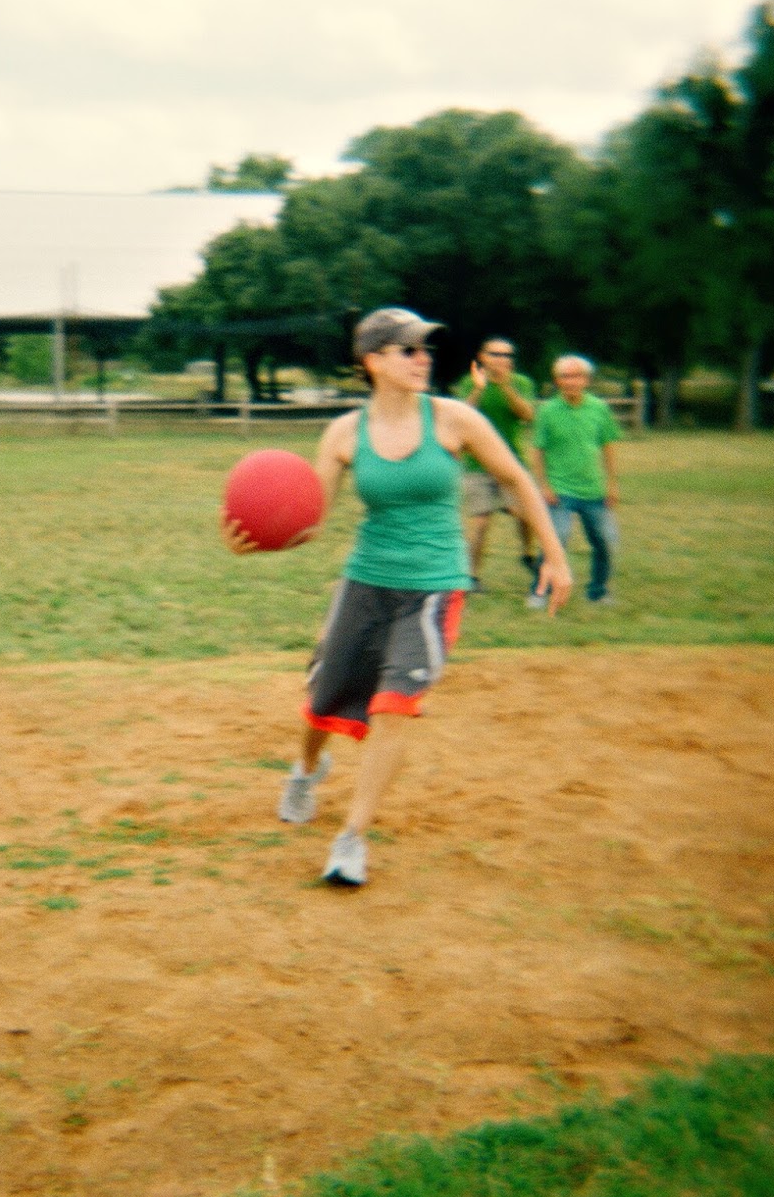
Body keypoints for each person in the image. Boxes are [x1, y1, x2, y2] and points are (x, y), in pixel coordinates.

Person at [223, 307, 573, 888]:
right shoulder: (344, 433)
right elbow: (311, 521)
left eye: (425, 349)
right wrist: (259, 542)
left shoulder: (454, 419)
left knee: (395, 702)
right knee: (326, 695)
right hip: (366, 580)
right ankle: (307, 769)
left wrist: (555, 556)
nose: (423, 359)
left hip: (435, 586)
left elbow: (515, 478)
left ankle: (351, 838)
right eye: (408, 349)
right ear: (373, 361)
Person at [526, 354, 623, 605]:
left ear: (586, 380)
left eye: (577, 376)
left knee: (604, 541)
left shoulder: (599, 408)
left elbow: (608, 446)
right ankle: (540, 591)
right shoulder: (547, 411)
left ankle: (599, 591)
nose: (571, 381)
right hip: (559, 490)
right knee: (555, 540)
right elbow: (538, 450)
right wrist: (543, 485)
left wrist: (612, 483)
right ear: (557, 381)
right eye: (565, 376)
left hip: (594, 490)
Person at [452, 336, 540, 595]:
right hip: (477, 465)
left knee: (526, 513)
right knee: (480, 522)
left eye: (507, 355)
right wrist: (479, 389)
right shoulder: (470, 382)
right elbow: (461, 417)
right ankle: (472, 577)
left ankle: (527, 554)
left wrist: (506, 387)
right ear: (482, 357)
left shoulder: (521, 383)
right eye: (495, 354)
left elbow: (528, 416)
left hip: (511, 463)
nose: (502, 360)